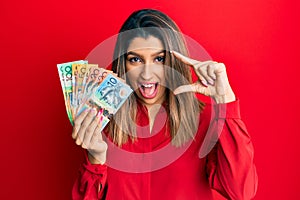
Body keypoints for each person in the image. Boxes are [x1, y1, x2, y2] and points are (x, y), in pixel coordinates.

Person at [71, 9, 258, 200]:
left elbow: (241, 192)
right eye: (135, 60)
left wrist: (224, 100)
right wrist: (96, 157)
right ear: (123, 65)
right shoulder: (103, 123)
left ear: (174, 63)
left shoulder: (206, 121)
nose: (146, 74)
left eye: (159, 59)